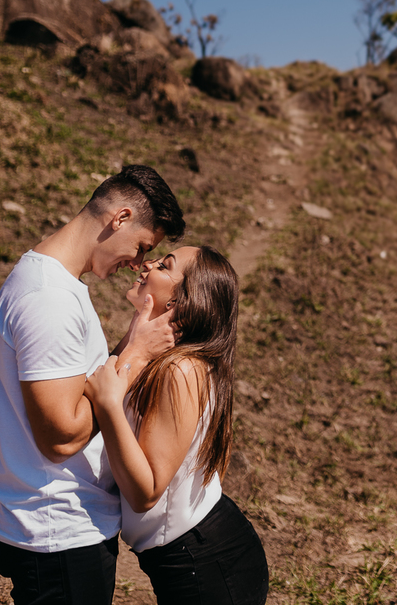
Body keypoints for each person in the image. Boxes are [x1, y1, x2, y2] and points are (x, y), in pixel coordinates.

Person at [0, 164, 185, 605]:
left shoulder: (55, 283)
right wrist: (132, 356)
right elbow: (60, 437)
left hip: (53, 525)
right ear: (121, 218)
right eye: (142, 246)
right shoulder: (47, 299)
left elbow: (78, 386)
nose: (137, 262)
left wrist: (131, 343)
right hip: (56, 533)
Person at [85, 245, 268, 604]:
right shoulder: (164, 359)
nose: (148, 264)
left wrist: (107, 405)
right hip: (192, 557)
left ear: (182, 301)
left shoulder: (179, 370)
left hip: (208, 564)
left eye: (165, 265)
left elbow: (145, 493)